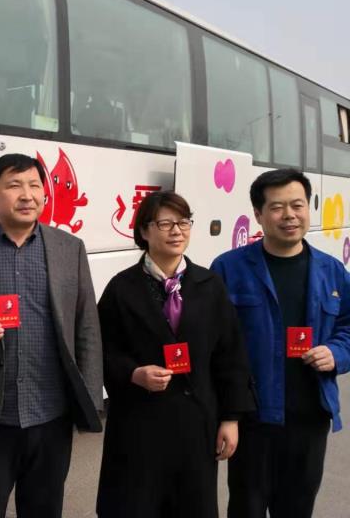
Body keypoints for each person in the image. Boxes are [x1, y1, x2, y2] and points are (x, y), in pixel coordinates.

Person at [0, 153, 103, 518]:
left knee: (44, 509)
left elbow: (87, 326)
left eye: (34, 185)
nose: (27, 195)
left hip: (51, 415)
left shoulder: (69, 248)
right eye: (14, 185)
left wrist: (90, 403)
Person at [96, 191, 254, 518]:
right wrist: (133, 373)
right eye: (165, 223)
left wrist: (231, 418)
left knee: (191, 507)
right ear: (144, 231)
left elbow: (230, 355)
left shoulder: (210, 285)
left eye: (183, 222)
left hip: (196, 423)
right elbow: (99, 350)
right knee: (135, 506)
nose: (177, 231)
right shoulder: (121, 288)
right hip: (139, 424)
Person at [211, 169, 350, 518]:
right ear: (258, 214)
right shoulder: (229, 268)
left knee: (298, 508)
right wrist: (225, 413)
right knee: (247, 507)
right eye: (277, 207)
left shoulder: (332, 271)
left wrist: (336, 352)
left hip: (310, 417)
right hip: (252, 419)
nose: (289, 215)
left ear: (308, 209)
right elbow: (214, 344)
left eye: (297, 205)